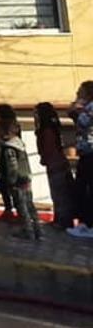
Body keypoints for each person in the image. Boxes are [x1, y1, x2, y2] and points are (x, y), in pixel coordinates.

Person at [0, 118, 42, 240]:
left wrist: (11, 182)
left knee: (22, 207)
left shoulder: (9, 148)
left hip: (17, 181)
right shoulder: (20, 145)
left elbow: (12, 167)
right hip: (26, 178)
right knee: (30, 205)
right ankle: (38, 229)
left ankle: (28, 230)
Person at [35, 101, 76, 230]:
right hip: (59, 163)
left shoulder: (46, 130)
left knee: (59, 194)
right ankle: (61, 219)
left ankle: (62, 221)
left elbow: (49, 148)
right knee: (61, 193)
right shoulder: (53, 128)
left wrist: (45, 159)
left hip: (54, 164)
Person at [67, 80, 93, 239]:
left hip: (91, 153)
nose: (77, 94)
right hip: (86, 152)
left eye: (80, 92)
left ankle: (88, 224)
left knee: (86, 188)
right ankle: (84, 223)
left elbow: (83, 122)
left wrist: (76, 109)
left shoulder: (90, 108)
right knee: (82, 187)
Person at [0, 103, 19, 222]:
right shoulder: (10, 124)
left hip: (9, 159)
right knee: (3, 185)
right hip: (4, 157)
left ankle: (15, 210)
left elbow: (9, 142)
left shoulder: (9, 125)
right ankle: (9, 209)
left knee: (9, 185)